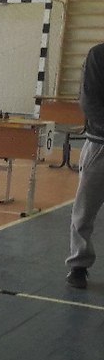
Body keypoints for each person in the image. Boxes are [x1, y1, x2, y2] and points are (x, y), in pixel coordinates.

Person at [66, 41, 104, 288]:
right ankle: (79, 265)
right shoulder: (98, 56)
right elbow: (89, 101)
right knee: (84, 211)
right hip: (100, 146)